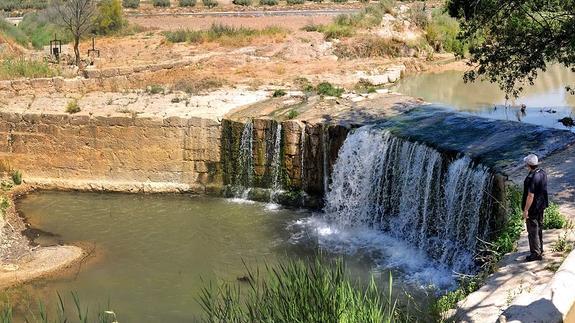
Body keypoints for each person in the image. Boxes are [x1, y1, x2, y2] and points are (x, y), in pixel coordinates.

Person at [522, 154, 549, 262]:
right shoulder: (542, 172)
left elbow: (530, 195)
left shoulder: (531, 178)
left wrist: (526, 210)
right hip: (541, 205)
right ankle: (540, 248)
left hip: (532, 208)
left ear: (528, 165)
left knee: (532, 230)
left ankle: (535, 254)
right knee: (539, 227)